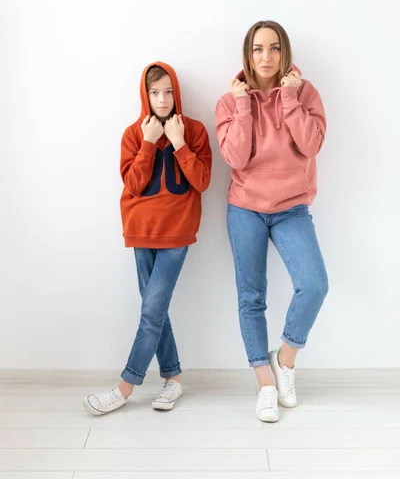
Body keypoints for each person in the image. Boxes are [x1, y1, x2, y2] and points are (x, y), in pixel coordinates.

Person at [215, 21, 328, 422]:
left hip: (292, 208)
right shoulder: (230, 102)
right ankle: (265, 384)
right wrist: (244, 105)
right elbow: (236, 159)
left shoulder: (304, 91)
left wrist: (292, 99)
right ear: (248, 54)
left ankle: (285, 360)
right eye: (258, 49)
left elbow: (312, 144)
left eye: (274, 48)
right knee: (251, 297)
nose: (266, 57)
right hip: (245, 207)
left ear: (285, 53)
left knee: (314, 285)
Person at [83, 62, 212, 415]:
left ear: (177, 93)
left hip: (177, 233)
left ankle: (125, 386)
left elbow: (201, 181)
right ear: (145, 94)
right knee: (153, 309)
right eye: (155, 92)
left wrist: (180, 143)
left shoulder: (196, 130)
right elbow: (133, 184)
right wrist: (150, 143)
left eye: (169, 91)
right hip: (140, 231)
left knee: (152, 311)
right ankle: (173, 379)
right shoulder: (132, 133)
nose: (163, 98)